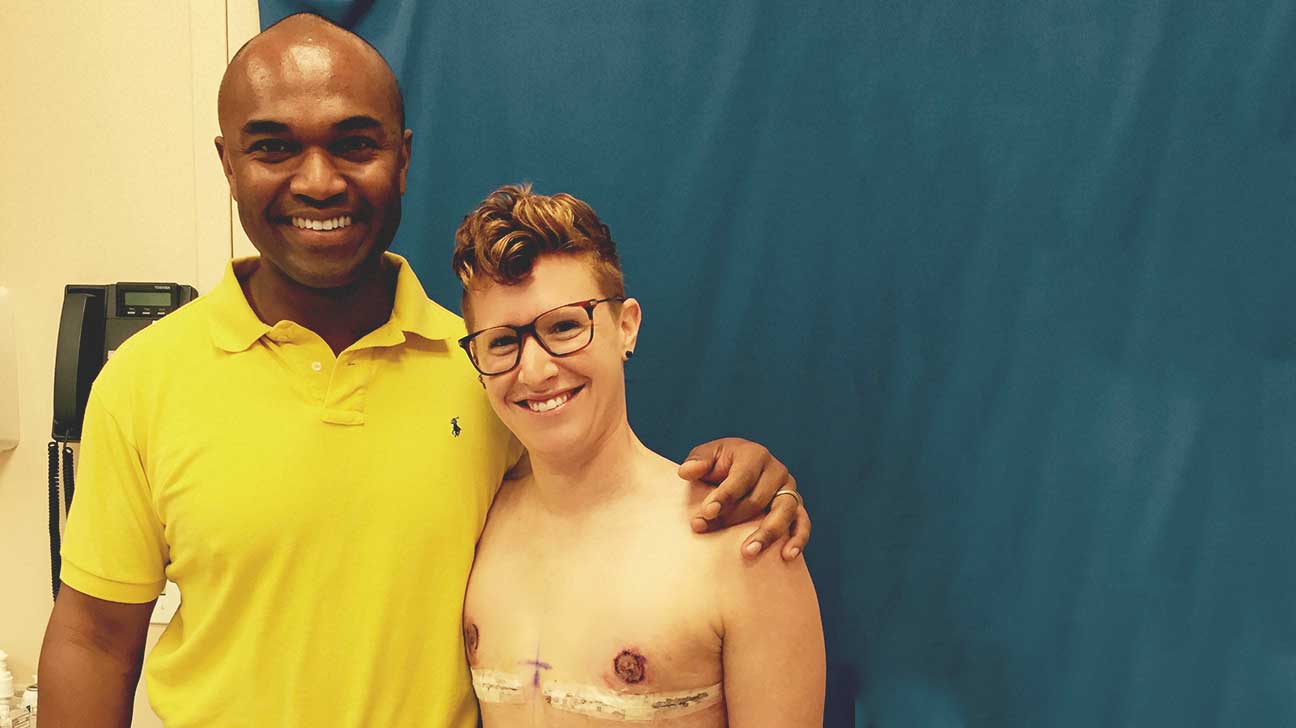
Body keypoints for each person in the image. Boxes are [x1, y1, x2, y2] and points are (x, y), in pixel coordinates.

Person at [36, 13, 810, 728]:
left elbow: (596, 499)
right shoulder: (143, 383)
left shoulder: (482, 372)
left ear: (402, 158)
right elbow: (94, 639)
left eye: (354, 144)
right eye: (273, 147)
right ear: (228, 164)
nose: (318, 181)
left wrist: (748, 476)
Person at [454, 184, 825, 726]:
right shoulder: (473, 527)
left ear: (625, 326)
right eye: (503, 342)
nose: (535, 371)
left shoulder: (741, 541)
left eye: (564, 327)